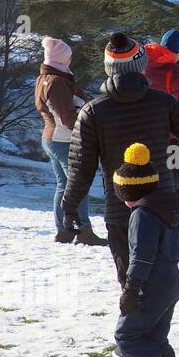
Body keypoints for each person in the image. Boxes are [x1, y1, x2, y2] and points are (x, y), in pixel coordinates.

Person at [62, 32, 179, 285]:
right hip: (162, 208)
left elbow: (81, 169)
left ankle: (132, 318)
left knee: (131, 287)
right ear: (141, 65)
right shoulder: (164, 103)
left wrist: (69, 208)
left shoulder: (92, 112)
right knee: (161, 288)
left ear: (108, 68)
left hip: (120, 210)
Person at [111, 142, 179, 357]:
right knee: (155, 334)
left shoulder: (141, 215)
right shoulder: (166, 207)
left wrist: (131, 289)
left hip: (151, 284)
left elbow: (141, 256)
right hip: (171, 281)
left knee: (126, 335)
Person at [34, 37, 105, 246]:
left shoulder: (44, 78)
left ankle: (63, 230)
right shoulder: (57, 81)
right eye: (69, 56)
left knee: (63, 184)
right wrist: (91, 131)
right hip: (62, 139)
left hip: (51, 138)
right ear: (62, 59)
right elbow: (66, 117)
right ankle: (84, 230)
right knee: (78, 184)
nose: (71, 59)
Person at [145, 30, 179, 186]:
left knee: (144, 179)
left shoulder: (142, 64)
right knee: (172, 177)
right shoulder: (176, 73)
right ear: (178, 52)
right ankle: (167, 210)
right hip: (169, 137)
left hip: (141, 132)